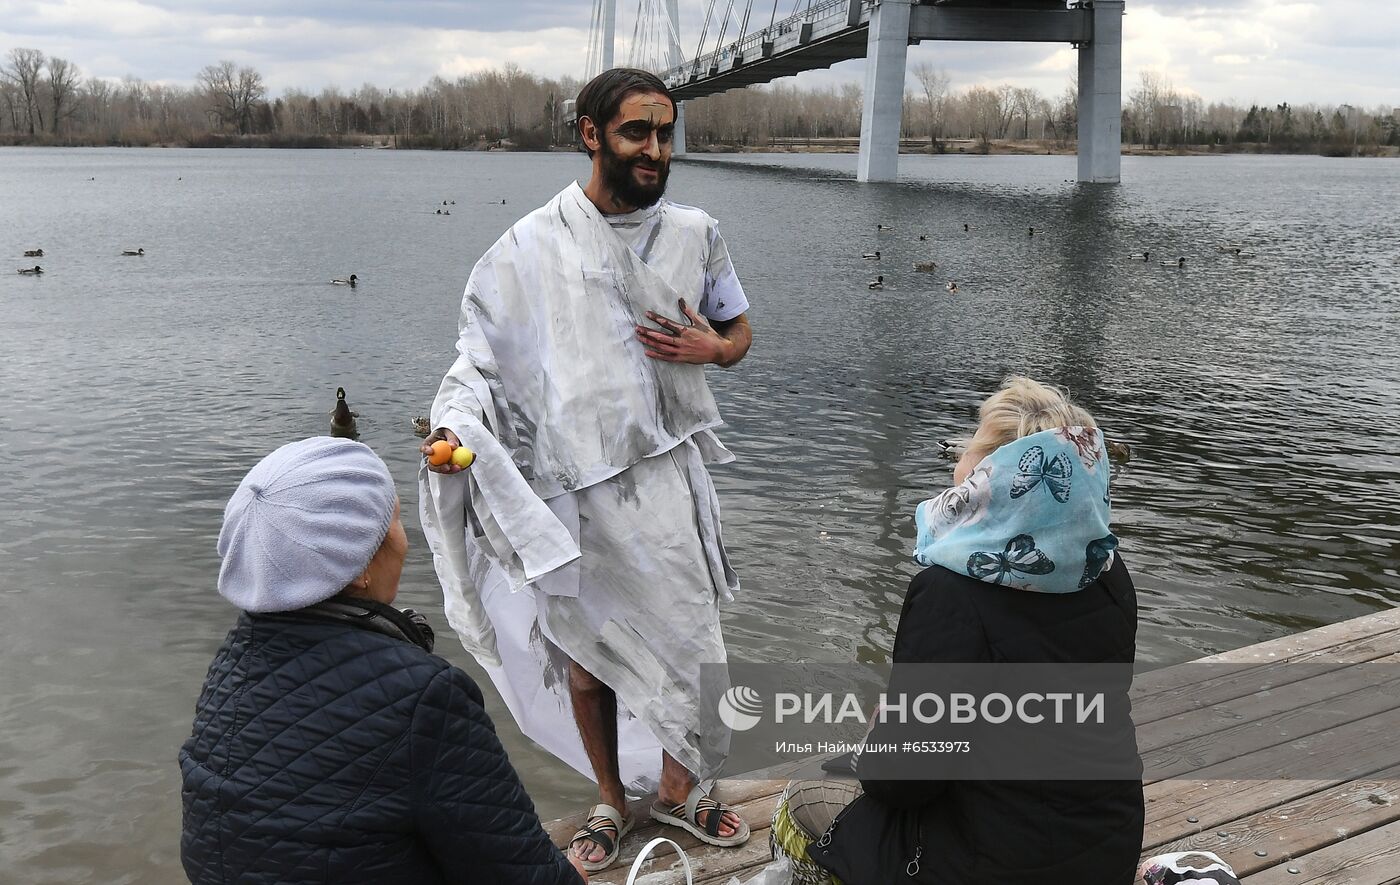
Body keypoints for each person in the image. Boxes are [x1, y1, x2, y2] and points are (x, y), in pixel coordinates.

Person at [418, 68, 754, 872]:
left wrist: (716, 348)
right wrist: (453, 427)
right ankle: (610, 798)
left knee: (694, 645)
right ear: (590, 133)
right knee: (584, 654)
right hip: (570, 488)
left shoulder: (696, 232)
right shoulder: (526, 249)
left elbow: (739, 331)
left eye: (666, 133)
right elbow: (479, 365)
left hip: (667, 478)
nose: (656, 149)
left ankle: (681, 788)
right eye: (638, 131)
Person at [179, 437, 585, 884]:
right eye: (392, 521)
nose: (404, 538)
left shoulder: (233, 662)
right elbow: (520, 873)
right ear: (358, 569)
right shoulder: (422, 695)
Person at [805, 376, 1144, 884]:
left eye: (975, 449)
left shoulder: (951, 594)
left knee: (806, 799)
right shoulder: (1106, 571)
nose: (960, 460)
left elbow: (904, 781)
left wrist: (883, 735)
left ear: (1001, 478)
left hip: (996, 864)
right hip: (1106, 846)